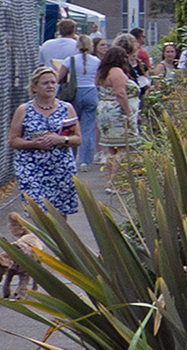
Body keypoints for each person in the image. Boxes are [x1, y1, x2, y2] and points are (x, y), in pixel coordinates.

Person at [8, 66, 81, 216]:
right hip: (32, 167)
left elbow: (77, 139)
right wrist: (33, 144)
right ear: (34, 87)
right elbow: (13, 140)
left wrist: (60, 139)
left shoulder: (67, 108)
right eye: (45, 83)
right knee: (37, 211)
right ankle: (41, 239)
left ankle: (59, 240)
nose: (50, 86)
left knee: (60, 212)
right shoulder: (24, 109)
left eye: (53, 82)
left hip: (60, 168)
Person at [95, 45, 140, 184]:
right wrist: (129, 113)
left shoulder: (102, 72)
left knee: (111, 149)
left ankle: (110, 177)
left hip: (103, 111)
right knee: (123, 148)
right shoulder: (117, 72)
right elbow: (120, 93)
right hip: (117, 113)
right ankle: (116, 180)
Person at [56, 34, 99, 169]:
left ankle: (72, 157)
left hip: (74, 93)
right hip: (91, 92)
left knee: (73, 127)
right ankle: (85, 160)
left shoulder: (70, 60)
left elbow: (58, 78)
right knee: (88, 127)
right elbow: (98, 79)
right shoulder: (97, 61)